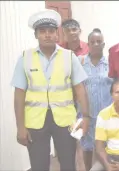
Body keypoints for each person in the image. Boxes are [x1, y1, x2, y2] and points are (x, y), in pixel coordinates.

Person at [11, 9, 90, 171]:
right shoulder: (25, 58)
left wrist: (86, 118)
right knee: (39, 165)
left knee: (68, 164)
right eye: (42, 31)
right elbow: (19, 95)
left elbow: (80, 89)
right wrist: (20, 127)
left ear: (57, 35)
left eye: (51, 31)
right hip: (35, 121)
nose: (47, 35)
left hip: (65, 119)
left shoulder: (69, 57)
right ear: (36, 35)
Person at [78, 28, 113, 171]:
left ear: (104, 44)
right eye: (93, 42)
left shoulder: (111, 63)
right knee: (86, 147)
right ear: (88, 44)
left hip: (106, 115)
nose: (96, 44)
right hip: (86, 114)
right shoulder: (80, 63)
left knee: (105, 147)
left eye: (99, 41)